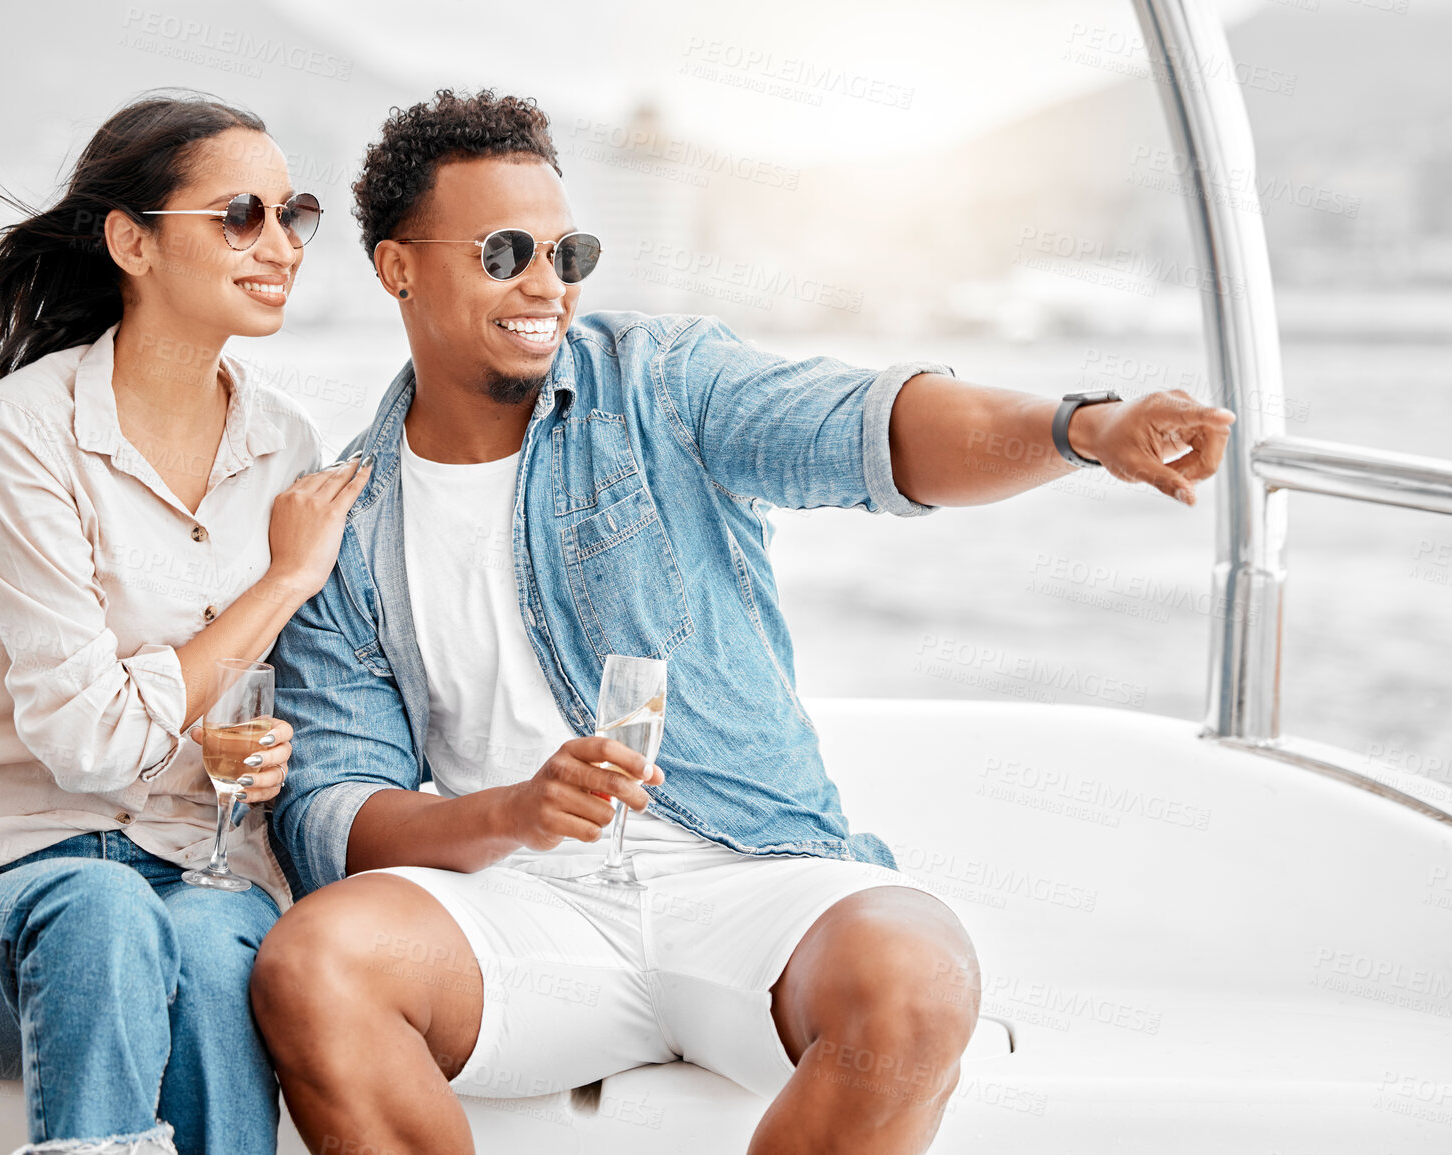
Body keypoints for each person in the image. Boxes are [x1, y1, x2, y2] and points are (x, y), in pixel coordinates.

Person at [251, 90, 1234, 1155]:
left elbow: (873, 427)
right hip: (520, 910)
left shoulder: (660, 382)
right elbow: (337, 812)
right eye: (503, 251)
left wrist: (1080, 427)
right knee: (314, 966)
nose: (546, 285)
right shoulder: (344, 517)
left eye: (567, 252)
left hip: (753, 877)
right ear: (398, 268)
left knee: (916, 976)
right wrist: (514, 815)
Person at [0, 93, 369, 1155]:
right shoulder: (24, 432)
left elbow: (261, 694)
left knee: (226, 945)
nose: (280, 246)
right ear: (132, 241)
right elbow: (89, 745)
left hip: (191, 867)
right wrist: (279, 583)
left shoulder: (286, 444)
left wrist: (269, 753)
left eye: (293, 214)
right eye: (240, 216)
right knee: (100, 911)